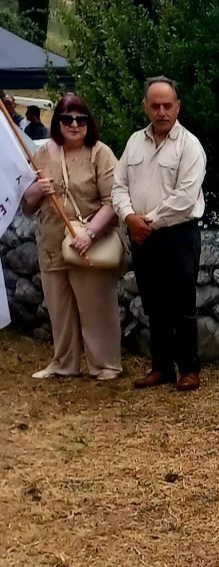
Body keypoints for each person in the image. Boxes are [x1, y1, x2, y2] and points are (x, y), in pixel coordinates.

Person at [112, 76, 206, 392]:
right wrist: (128, 216)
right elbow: (119, 184)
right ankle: (161, 368)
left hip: (178, 235)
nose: (162, 111)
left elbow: (185, 197)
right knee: (154, 305)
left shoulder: (190, 146)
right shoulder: (134, 142)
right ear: (145, 107)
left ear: (178, 107)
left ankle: (189, 370)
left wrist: (145, 221)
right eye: (156, 105)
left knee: (182, 304)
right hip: (143, 237)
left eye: (168, 105)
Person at [21, 94, 122, 381]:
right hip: (52, 241)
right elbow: (27, 204)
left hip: (89, 241)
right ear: (57, 123)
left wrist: (90, 234)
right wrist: (38, 189)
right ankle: (63, 362)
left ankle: (105, 365)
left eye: (80, 119)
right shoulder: (42, 154)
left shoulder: (100, 153)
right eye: (67, 119)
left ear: (89, 122)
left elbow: (112, 202)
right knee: (58, 304)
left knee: (95, 304)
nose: (74, 124)